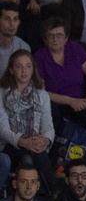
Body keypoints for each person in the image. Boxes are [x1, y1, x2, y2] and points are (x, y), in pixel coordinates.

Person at [0, 50, 56, 191]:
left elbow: (48, 126)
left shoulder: (42, 95)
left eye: (28, 66)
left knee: (34, 153)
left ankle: (51, 195)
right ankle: (55, 193)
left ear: (33, 69)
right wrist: (24, 142)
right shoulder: (1, 94)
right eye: (19, 66)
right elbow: (3, 129)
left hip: (34, 146)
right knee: (31, 156)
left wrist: (45, 140)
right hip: (8, 146)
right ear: (11, 70)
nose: (24, 71)